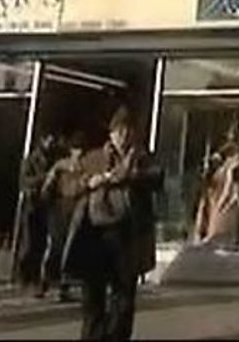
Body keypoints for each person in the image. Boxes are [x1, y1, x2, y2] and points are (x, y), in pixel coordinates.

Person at [61, 109, 163, 341]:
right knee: (93, 294)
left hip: (127, 234)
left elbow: (157, 177)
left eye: (128, 131)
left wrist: (131, 176)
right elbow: (67, 186)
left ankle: (116, 336)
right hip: (95, 233)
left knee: (123, 296)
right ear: (111, 133)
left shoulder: (141, 158)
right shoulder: (94, 158)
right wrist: (89, 182)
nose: (123, 136)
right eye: (119, 131)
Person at [44, 132, 89, 303]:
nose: (79, 153)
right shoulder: (61, 166)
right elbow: (48, 186)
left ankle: (63, 286)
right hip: (60, 206)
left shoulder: (84, 167)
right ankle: (47, 282)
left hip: (76, 206)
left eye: (81, 150)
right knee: (56, 245)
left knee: (69, 247)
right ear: (71, 150)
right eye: (76, 149)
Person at [17, 134, 61, 296]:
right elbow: (24, 181)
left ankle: (39, 279)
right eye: (49, 139)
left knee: (43, 243)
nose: (51, 143)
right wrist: (45, 177)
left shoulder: (55, 158)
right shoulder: (31, 160)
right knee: (29, 243)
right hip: (32, 205)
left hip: (47, 205)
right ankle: (25, 277)